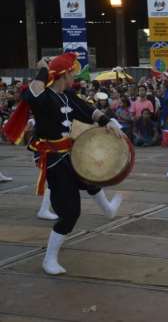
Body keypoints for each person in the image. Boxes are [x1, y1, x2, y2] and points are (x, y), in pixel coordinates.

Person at [4, 53, 124, 275]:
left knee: (91, 177)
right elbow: (32, 94)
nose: (74, 76)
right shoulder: (44, 98)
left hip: (70, 152)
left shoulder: (67, 95)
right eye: (71, 72)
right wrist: (42, 69)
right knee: (70, 213)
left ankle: (107, 209)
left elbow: (88, 110)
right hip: (53, 159)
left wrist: (108, 121)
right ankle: (49, 260)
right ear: (62, 74)